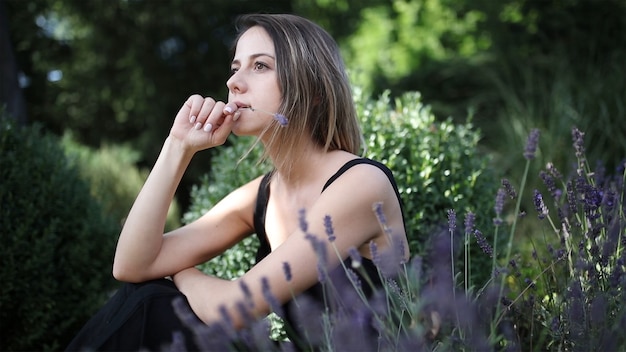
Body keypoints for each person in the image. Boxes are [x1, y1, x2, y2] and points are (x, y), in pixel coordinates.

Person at [67, 13, 408, 351]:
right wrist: (178, 146)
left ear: (314, 90)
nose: (233, 83)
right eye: (235, 68)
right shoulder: (263, 195)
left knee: (154, 301)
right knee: (144, 297)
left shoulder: (361, 183)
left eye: (260, 66)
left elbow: (234, 309)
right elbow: (130, 265)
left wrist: (180, 272)